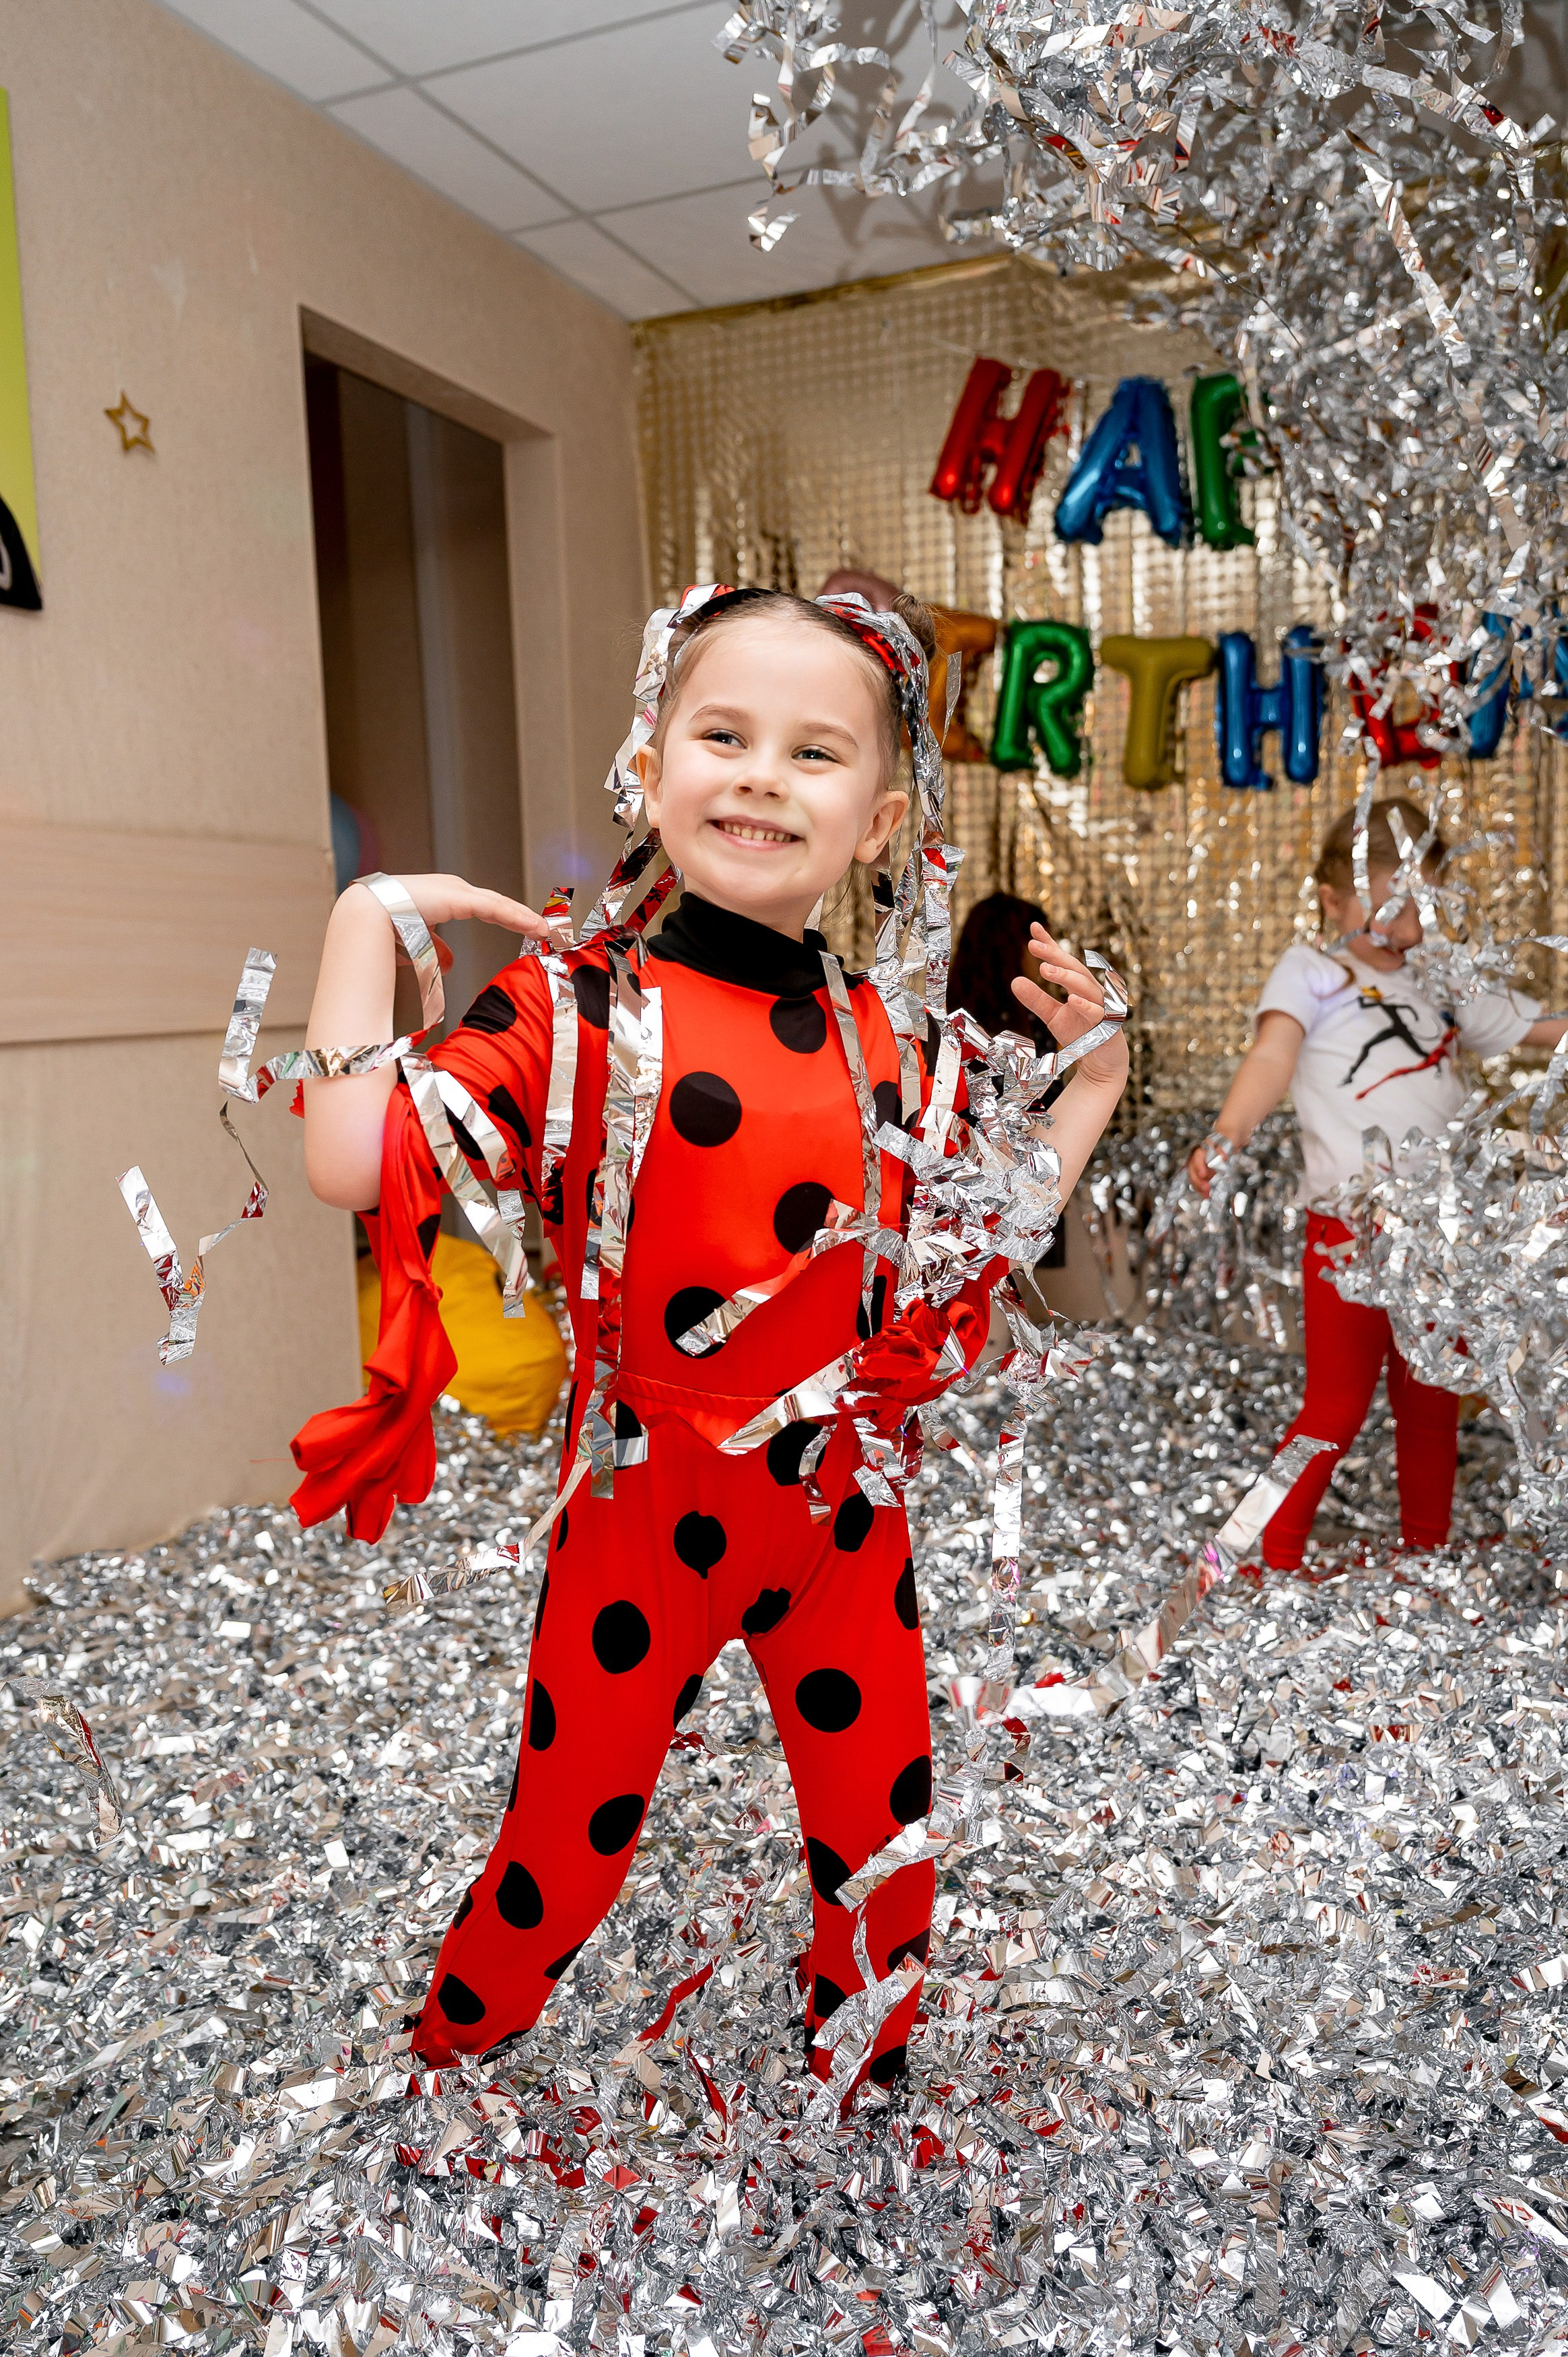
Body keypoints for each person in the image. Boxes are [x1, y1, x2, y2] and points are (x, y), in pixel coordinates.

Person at [294, 585, 1130, 2083]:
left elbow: (984, 1234)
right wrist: (363, 921)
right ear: (651, 763)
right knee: (563, 1847)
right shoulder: (573, 1009)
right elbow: (354, 1161)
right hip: (639, 1515)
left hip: (841, 1518)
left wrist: (1095, 1088)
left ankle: (858, 2099)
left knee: (885, 1850)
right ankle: (444, 2071)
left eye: (814, 753)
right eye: (723, 735)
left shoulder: (898, 1042)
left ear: (878, 824)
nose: (760, 777)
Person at [1188, 795, 1565, 1569]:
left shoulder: (1442, 978)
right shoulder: (1315, 971)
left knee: (1431, 1401)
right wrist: (1229, 1130)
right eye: (1383, 901)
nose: (1401, 922)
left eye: (1419, 904)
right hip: (1351, 1230)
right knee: (1332, 1408)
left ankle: (1426, 1559)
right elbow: (1271, 1055)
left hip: (1439, 1234)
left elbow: (1535, 1029)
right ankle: (1264, 1556)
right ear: (1332, 899)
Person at [949, 892, 1068, 1265]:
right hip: (1023, 1203)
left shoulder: (944, 1023)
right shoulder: (1029, 1032)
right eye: (1039, 948)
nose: (1046, 962)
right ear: (1013, 949)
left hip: (952, 1201)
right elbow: (1052, 1121)